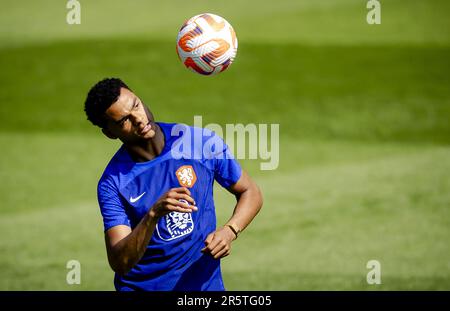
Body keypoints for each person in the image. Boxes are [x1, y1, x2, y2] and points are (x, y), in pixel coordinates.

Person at [84, 78, 263, 291]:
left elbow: (250, 191)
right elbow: (120, 262)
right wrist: (153, 214)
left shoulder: (199, 142)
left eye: (136, 105)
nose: (139, 119)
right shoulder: (113, 183)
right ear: (110, 133)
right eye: (125, 120)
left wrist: (230, 231)